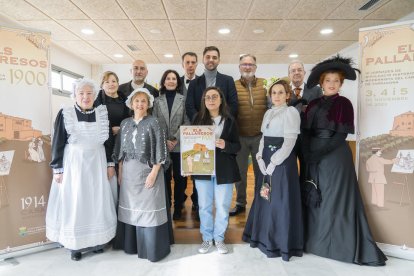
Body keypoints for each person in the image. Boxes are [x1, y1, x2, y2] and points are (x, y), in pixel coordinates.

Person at [301, 55, 387, 266]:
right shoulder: (312, 104)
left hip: (335, 156)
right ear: (321, 83)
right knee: (314, 196)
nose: (331, 84)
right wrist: (307, 153)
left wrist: (318, 154)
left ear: (341, 83)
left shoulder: (344, 104)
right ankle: (314, 243)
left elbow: (340, 136)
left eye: (336, 81)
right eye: (328, 80)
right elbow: (305, 131)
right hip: (313, 155)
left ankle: (338, 247)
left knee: (334, 198)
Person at [46, 78, 117, 261]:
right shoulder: (66, 113)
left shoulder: (102, 113)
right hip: (74, 165)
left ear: (94, 95)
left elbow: (108, 143)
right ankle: (75, 245)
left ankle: (96, 242)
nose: (85, 97)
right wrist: (58, 169)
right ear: (75, 95)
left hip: (97, 163)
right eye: (81, 93)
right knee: (76, 201)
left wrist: (110, 164)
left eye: (89, 93)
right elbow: (58, 142)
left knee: (96, 201)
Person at [242, 77, 303, 261]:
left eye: (280, 93)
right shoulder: (268, 113)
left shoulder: (291, 112)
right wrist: (259, 157)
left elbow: (290, 142)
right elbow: (263, 138)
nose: (277, 96)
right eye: (274, 93)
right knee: (265, 197)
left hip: (282, 161)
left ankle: (279, 244)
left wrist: (274, 162)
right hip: (266, 159)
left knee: (279, 200)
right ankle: (262, 238)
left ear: (287, 95)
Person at [113, 88, 173, 262]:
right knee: (131, 208)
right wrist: (120, 172)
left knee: (150, 209)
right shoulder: (124, 123)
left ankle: (151, 249)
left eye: (143, 101)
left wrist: (154, 173)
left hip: (148, 171)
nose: (140, 104)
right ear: (131, 104)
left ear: (149, 104)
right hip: (129, 175)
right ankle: (131, 246)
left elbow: (161, 150)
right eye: (137, 101)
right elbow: (120, 151)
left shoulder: (155, 122)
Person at [192, 87, 241, 255]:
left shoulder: (230, 120)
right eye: (207, 97)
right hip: (202, 169)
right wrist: (187, 165)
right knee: (204, 206)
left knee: (222, 205)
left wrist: (226, 145)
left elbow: (237, 146)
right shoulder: (198, 119)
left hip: (224, 169)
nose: (211, 100)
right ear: (204, 101)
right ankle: (207, 238)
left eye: (214, 97)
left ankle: (219, 238)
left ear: (221, 100)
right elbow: (190, 145)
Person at [230, 54, 267, 217]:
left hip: (260, 136)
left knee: (261, 172)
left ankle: (261, 202)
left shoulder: (264, 85)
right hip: (240, 137)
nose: (247, 67)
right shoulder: (233, 85)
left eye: (250, 64)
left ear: (255, 67)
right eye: (244, 64)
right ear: (239, 67)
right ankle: (240, 203)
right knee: (240, 172)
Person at [153, 69, 189, 220]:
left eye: (174, 78)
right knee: (165, 177)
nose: (171, 81)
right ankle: (167, 205)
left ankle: (179, 205)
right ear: (163, 81)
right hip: (163, 145)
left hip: (180, 144)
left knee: (180, 179)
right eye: (168, 78)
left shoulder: (183, 99)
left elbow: (187, 121)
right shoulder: (157, 101)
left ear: (177, 82)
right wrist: (164, 140)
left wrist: (175, 139)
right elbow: (154, 122)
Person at [94, 71, 130, 204]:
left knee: (123, 176)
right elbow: (94, 122)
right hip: (105, 144)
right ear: (102, 85)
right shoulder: (96, 101)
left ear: (118, 83)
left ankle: (123, 207)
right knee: (107, 177)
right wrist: (110, 130)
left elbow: (133, 120)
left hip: (123, 143)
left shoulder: (125, 100)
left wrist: (121, 129)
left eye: (113, 81)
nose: (111, 84)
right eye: (107, 81)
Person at [185, 46, 238, 121]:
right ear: (203, 60)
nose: (211, 60)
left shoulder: (228, 80)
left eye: (214, 57)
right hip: (201, 127)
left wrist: (221, 120)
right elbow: (189, 107)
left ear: (219, 60)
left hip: (223, 125)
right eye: (208, 57)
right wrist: (200, 120)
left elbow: (233, 105)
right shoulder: (193, 83)